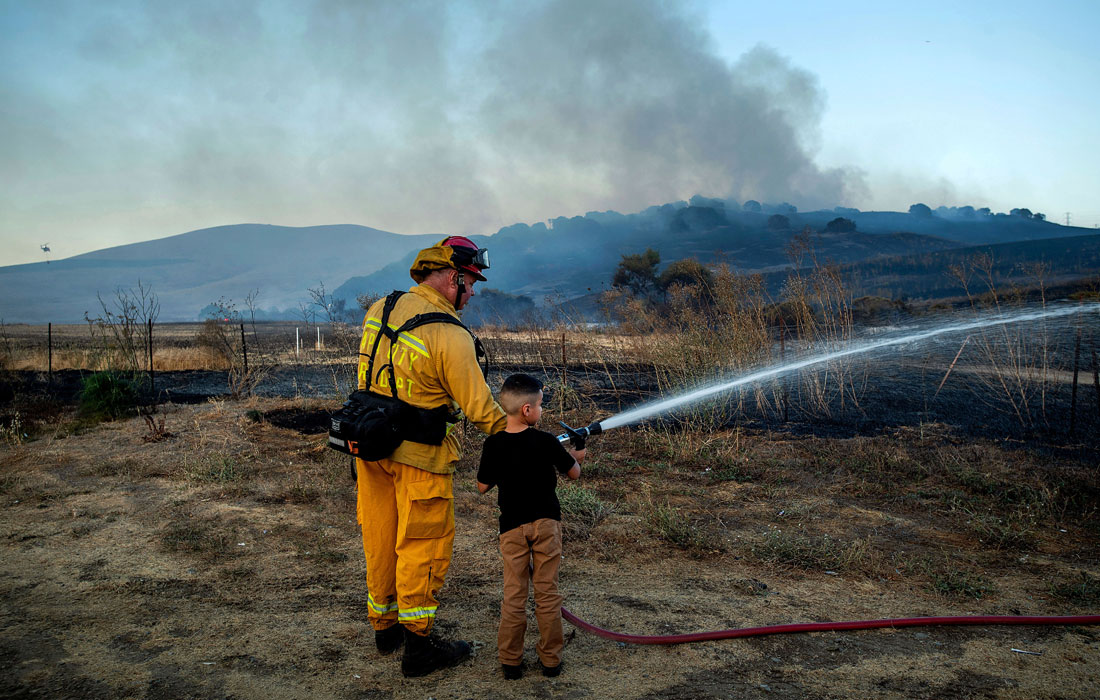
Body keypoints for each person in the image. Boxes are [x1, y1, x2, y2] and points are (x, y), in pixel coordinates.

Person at [355, 236, 507, 678]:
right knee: (422, 545)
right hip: (420, 457)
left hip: (371, 445)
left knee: (380, 537)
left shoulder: (380, 308)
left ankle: (385, 630)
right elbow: (482, 411)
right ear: (452, 278)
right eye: (470, 283)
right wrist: (524, 436)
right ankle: (419, 647)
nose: (472, 294)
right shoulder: (449, 334)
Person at [476, 373, 585, 680]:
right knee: (547, 593)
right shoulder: (546, 441)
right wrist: (577, 455)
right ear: (527, 410)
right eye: (540, 405)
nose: (542, 410)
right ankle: (551, 661)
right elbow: (574, 472)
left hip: (512, 528)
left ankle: (511, 662)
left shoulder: (494, 444)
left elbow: (482, 486)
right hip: (547, 525)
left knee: (514, 595)